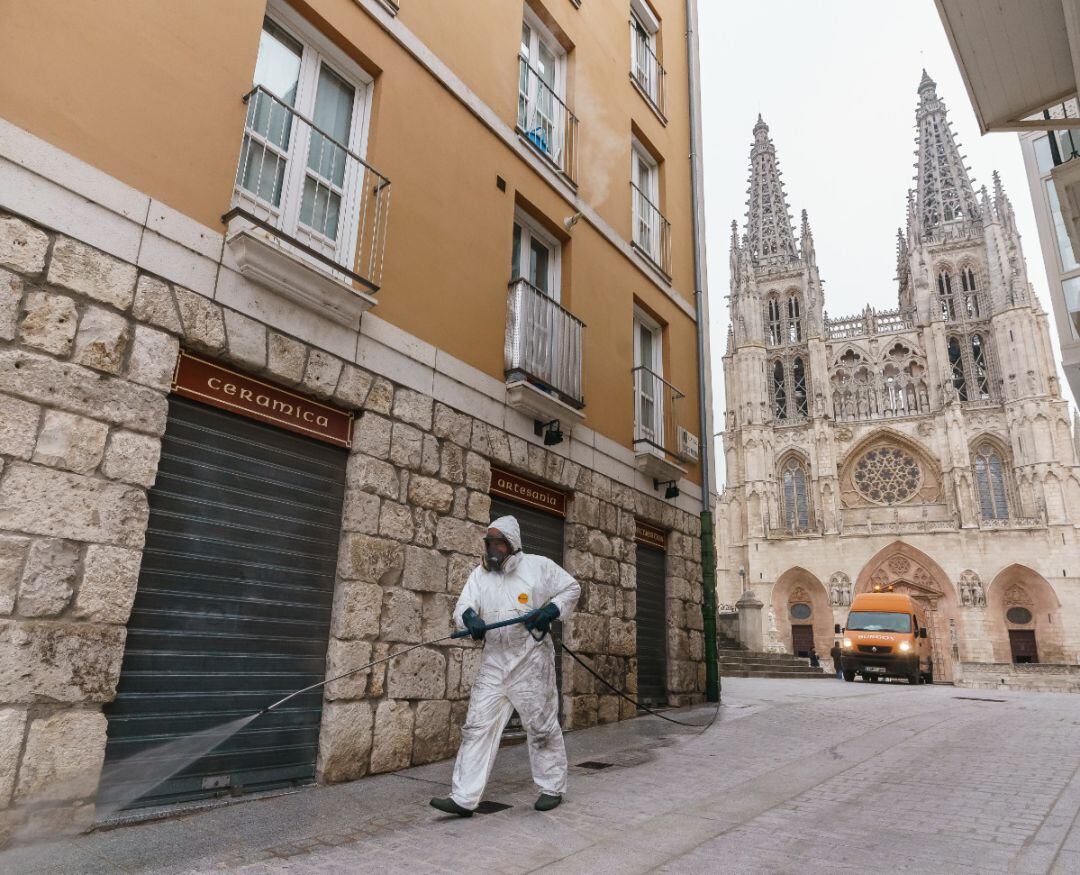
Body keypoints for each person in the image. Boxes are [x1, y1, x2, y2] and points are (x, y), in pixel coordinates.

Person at [430, 515, 580, 817]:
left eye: (497, 542)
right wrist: (470, 619)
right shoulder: (480, 575)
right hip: (494, 662)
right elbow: (463, 606)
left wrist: (550, 610)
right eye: (489, 542)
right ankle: (463, 797)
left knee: (540, 726)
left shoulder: (538, 566)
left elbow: (571, 588)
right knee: (476, 727)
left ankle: (551, 787)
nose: (492, 548)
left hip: (531, 661)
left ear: (511, 543)